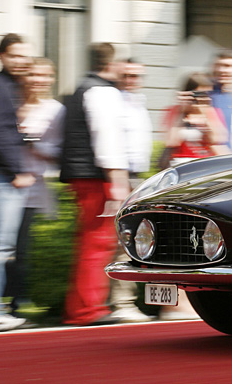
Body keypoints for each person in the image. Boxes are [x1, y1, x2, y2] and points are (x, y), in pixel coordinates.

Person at [59, 42, 129, 326]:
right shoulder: (104, 92)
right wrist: (118, 182)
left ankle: (78, 308)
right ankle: (89, 310)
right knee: (98, 243)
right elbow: (108, 139)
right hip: (98, 177)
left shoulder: (81, 89)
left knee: (87, 242)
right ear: (111, 65)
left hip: (82, 175)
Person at [6, 58, 63, 316]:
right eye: (33, 74)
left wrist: (34, 145)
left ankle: (19, 301)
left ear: (51, 79)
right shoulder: (9, 102)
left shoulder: (56, 110)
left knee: (21, 247)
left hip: (32, 188)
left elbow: (60, 150)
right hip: (2, 183)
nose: (38, 80)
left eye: (45, 75)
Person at [0, 33, 34, 332]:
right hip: (2, 178)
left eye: (24, 56)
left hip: (2, 176)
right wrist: (15, 171)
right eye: (15, 55)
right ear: (2, 56)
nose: (21, 61)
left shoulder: (7, 88)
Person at [107, 59, 153, 323]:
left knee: (139, 240)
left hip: (138, 177)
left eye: (136, 75)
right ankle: (122, 304)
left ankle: (130, 302)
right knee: (124, 241)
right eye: (126, 75)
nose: (131, 79)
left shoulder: (138, 102)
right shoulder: (115, 103)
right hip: (123, 176)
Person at [163, 73, 228, 167]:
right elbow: (171, 142)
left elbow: (218, 139)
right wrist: (181, 112)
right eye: (199, 94)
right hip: (182, 164)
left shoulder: (213, 112)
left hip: (206, 163)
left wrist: (206, 115)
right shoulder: (175, 111)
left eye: (208, 93)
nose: (205, 98)